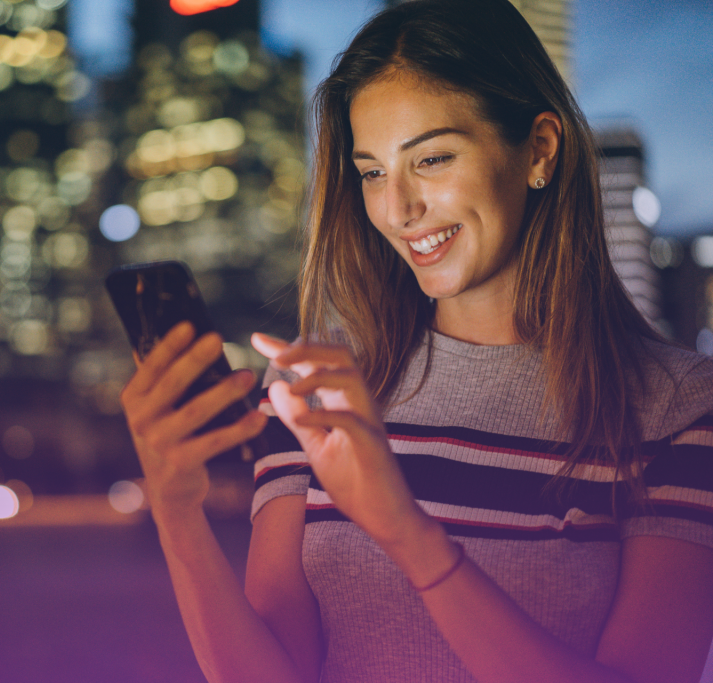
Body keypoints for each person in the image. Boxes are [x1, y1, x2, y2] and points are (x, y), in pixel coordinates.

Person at [118, 1, 713, 681]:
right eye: (372, 171)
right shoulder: (317, 389)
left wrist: (407, 530)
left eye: (430, 158)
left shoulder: (676, 410)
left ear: (540, 150)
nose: (398, 209)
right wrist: (176, 512)